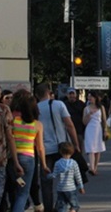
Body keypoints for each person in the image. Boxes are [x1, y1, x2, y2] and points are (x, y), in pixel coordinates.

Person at [36, 83, 80, 212]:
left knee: (46, 182)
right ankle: (64, 206)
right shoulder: (59, 105)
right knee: (66, 179)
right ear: (49, 92)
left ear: (37, 95)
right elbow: (69, 125)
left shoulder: (36, 108)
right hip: (62, 148)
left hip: (44, 149)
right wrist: (75, 144)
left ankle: (48, 208)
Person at [10, 91, 50, 212]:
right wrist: (43, 165)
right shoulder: (37, 125)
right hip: (28, 158)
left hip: (13, 158)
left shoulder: (13, 121)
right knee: (23, 193)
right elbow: (40, 147)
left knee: (14, 190)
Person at [47, 142, 84, 212]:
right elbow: (78, 176)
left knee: (61, 206)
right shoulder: (74, 163)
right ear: (72, 152)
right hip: (71, 188)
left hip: (61, 188)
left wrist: (48, 175)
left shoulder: (57, 163)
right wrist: (81, 186)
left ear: (60, 152)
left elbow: (54, 175)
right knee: (75, 205)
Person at [82, 92, 106, 175]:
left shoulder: (101, 107)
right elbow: (84, 122)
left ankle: (95, 167)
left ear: (95, 98)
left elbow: (104, 120)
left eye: (91, 96)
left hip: (98, 129)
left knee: (97, 149)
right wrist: (88, 115)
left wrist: (105, 130)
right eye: (88, 97)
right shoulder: (86, 109)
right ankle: (91, 168)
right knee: (91, 149)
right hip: (89, 129)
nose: (89, 98)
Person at [63, 88, 85, 154]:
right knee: (68, 149)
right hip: (67, 131)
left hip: (79, 130)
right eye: (70, 94)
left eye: (73, 94)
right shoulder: (64, 105)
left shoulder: (81, 104)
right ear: (67, 95)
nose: (71, 96)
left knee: (79, 149)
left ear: (76, 95)